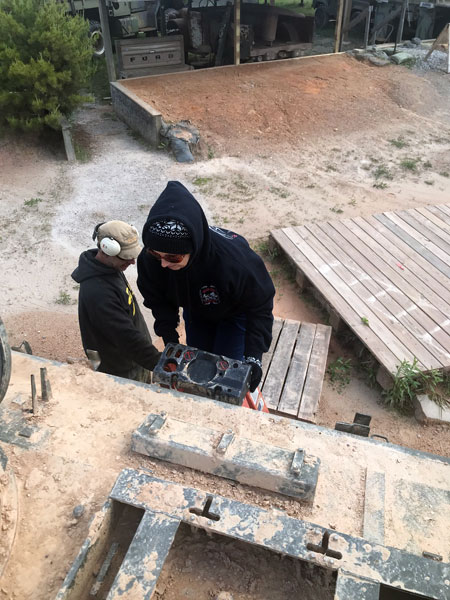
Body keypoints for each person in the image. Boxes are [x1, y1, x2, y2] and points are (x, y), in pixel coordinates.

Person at [137, 181, 275, 392]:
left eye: (172, 256)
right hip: (196, 310)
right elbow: (158, 299)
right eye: (156, 254)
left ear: (194, 248)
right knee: (197, 367)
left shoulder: (236, 264)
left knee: (227, 374)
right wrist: (170, 337)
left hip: (234, 313)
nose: (163, 263)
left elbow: (260, 306)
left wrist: (254, 355)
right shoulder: (150, 260)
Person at [72, 220, 160, 382]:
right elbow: (125, 337)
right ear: (107, 250)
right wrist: (158, 363)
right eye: (126, 257)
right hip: (120, 368)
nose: (132, 262)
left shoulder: (110, 267)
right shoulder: (98, 292)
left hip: (132, 358)